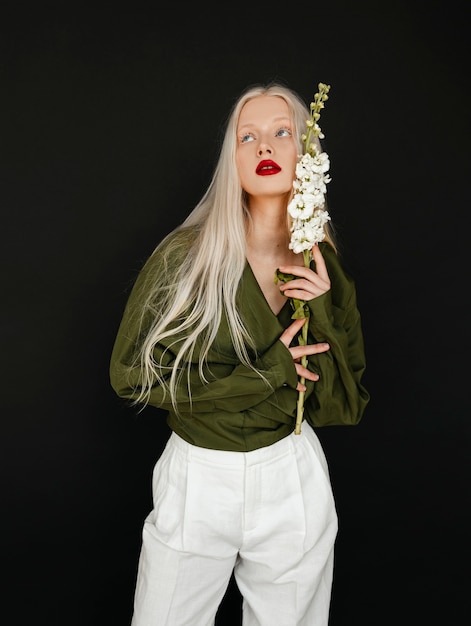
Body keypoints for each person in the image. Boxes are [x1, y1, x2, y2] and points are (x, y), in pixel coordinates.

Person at [109, 81, 370, 626]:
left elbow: (340, 405)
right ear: (232, 157)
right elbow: (131, 377)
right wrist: (267, 372)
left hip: (291, 474)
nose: (265, 148)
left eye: (282, 133)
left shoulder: (320, 267)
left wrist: (323, 308)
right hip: (199, 474)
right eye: (246, 137)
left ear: (307, 154)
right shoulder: (187, 257)